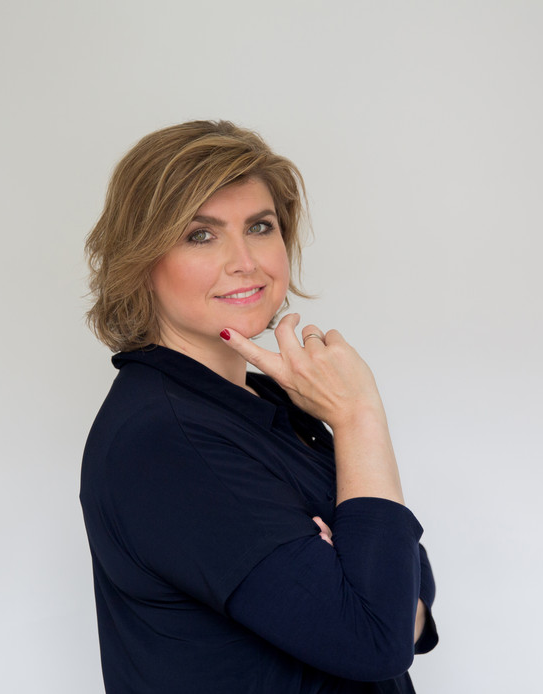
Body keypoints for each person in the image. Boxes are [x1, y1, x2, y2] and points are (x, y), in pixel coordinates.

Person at [80, 120, 438, 694]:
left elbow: (400, 581)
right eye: (201, 235)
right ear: (142, 260)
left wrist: (378, 586)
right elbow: (379, 636)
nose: (244, 261)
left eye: (260, 227)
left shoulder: (270, 401)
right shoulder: (166, 440)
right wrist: (359, 417)